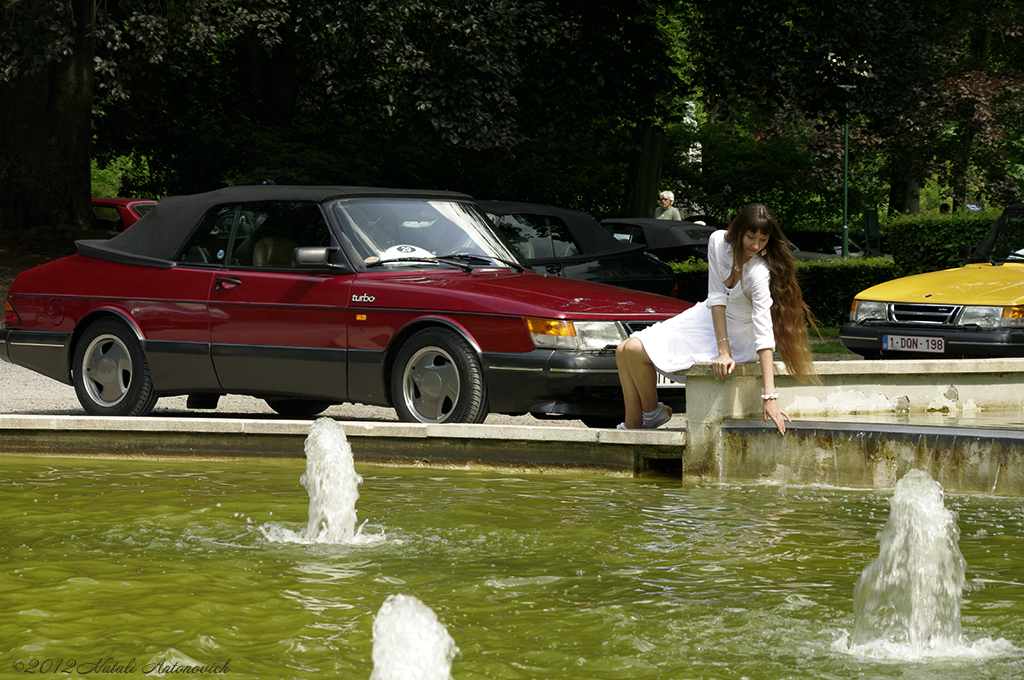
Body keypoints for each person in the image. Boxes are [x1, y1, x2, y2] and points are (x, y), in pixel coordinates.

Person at [616, 202, 817, 433]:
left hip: (739, 335)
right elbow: (716, 296)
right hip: (708, 316)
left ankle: (646, 418)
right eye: (751, 236)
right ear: (739, 230)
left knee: (632, 349)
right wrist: (723, 350)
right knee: (623, 350)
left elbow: (763, 331)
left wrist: (770, 395)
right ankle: (642, 419)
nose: (756, 245)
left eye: (763, 239)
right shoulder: (718, 241)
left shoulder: (759, 273)